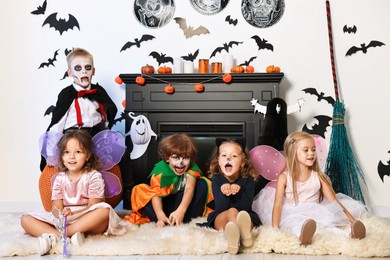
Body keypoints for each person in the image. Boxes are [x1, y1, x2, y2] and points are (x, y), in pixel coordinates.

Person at [39, 47, 133, 209]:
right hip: (73, 135)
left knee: (122, 151)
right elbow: (57, 123)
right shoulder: (66, 94)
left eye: (87, 68)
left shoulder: (99, 92)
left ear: (93, 71)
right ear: (69, 72)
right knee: (72, 159)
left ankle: (129, 194)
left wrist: (105, 132)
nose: (83, 71)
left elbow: (107, 115)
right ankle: (64, 202)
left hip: (95, 134)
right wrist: (50, 150)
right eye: (78, 68)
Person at [253, 131, 368, 246]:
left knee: (327, 227)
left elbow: (334, 200)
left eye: (313, 149)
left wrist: (352, 220)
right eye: (306, 150)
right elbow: (277, 204)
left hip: (315, 211)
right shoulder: (285, 177)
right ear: (293, 152)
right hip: (293, 212)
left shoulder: (318, 176)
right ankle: (303, 236)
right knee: (296, 225)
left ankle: (351, 235)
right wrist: (275, 229)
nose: (311, 153)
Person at [22, 130, 126, 255]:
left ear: (87, 155)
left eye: (78, 152)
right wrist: (62, 214)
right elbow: (55, 208)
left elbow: (93, 206)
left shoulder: (93, 176)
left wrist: (75, 213)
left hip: (86, 218)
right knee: (25, 219)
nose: (71, 157)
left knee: (104, 210)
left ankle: (62, 234)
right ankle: (63, 235)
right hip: (65, 220)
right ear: (61, 156)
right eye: (66, 152)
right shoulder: (59, 178)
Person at [124, 133, 214, 227]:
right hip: (163, 205)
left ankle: (183, 218)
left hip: (182, 205)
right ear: (167, 158)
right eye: (175, 158)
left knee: (203, 183)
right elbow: (156, 195)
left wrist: (181, 211)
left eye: (185, 158)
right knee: (140, 190)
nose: (181, 162)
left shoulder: (191, 169)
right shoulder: (160, 171)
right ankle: (162, 221)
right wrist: (160, 215)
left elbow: (189, 189)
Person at [205, 138, 260, 255]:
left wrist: (239, 191)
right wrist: (223, 191)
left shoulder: (248, 180)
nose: (228, 158)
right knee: (232, 211)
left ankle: (242, 236)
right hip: (222, 217)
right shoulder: (216, 180)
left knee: (242, 215)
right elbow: (220, 207)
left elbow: (246, 206)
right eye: (224, 155)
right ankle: (238, 238)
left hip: (244, 215)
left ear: (243, 162)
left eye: (234, 156)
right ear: (218, 161)